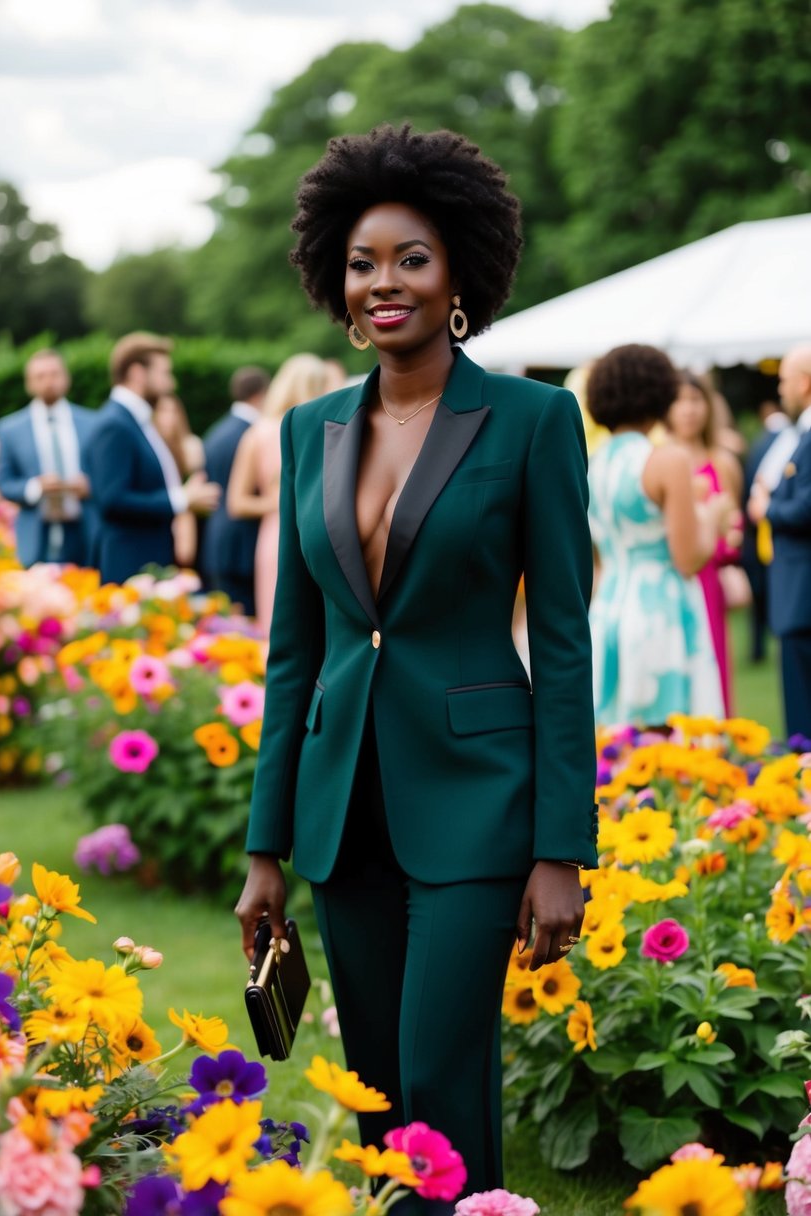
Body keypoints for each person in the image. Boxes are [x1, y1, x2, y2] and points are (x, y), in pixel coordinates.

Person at [234, 125, 598, 1210]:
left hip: (479, 807)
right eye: (361, 264)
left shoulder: (531, 421)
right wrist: (267, 847)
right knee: (377, 1083)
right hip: (344, 812)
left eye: (410, 259)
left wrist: (560, 848)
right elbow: (295, 653)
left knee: (443, 1070)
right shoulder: (309, 433)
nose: (383, 282)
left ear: (458, 281)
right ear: (334, 287)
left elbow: (568, 643)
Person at [586, 344, 731, 726]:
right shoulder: (667, 460)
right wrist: (711, 516)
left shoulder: (594, 464)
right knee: (669, 741)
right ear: (659, 393)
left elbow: (597, 558)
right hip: (661, 611)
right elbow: (688, 559)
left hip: (607, 609)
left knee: (617, 743)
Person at [85, 333, 220, 585]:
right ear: (138, 373)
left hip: (149, 560)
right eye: (164, 373)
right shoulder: (114, 425)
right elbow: (112, 499)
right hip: (128, 564)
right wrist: (182, 499)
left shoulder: (138, 421)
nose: (172, 383)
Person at [227, 354, 334, 635]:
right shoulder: (260, 433)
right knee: (284, 619)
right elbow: (237, 502)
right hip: (280, 532)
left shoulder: (328, 426)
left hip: (319, 530)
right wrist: (283, 500)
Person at [665, 370, 744, 715]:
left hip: (709, 578)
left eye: (695, 400)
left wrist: (727, 532)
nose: (688, 410)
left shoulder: (722, 462)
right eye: (680, 401)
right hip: (670, 580)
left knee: (713, 663)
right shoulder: (660, 459)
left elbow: (735, 527)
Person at [748, 343, 811, 738]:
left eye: (785, 380)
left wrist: (765, 508)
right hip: (797, 592)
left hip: (803, 594)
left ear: (805, 383)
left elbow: (805, 510)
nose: (781, 390)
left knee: (802, 718)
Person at [0, 349, 97, 566]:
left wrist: (91, 486)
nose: (49, 381)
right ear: (28, 383)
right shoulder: (9, 428)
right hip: (36, 532)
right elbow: (4, 483)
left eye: (54, 374)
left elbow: (107, 474)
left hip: (83, 529)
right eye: (40, 376)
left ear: (66, 377)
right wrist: (36, 487)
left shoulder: (92, 422)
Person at [200, 367, 270, 614]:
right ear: (260, 394)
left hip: (216, 540)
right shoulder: (255, 435)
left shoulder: (215, 432)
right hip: (245, 543)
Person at [741, 400, 791, 662]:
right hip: (773, 528)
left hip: (755, 528)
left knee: (758, 591)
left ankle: (757, 648)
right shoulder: (786, 441)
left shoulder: (758, 442)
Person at [153, 393, 205, 569]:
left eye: (173, 411)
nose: (169, 417)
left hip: (188, 519)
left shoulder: (191, 447)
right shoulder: (150, 447)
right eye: (163, 411)